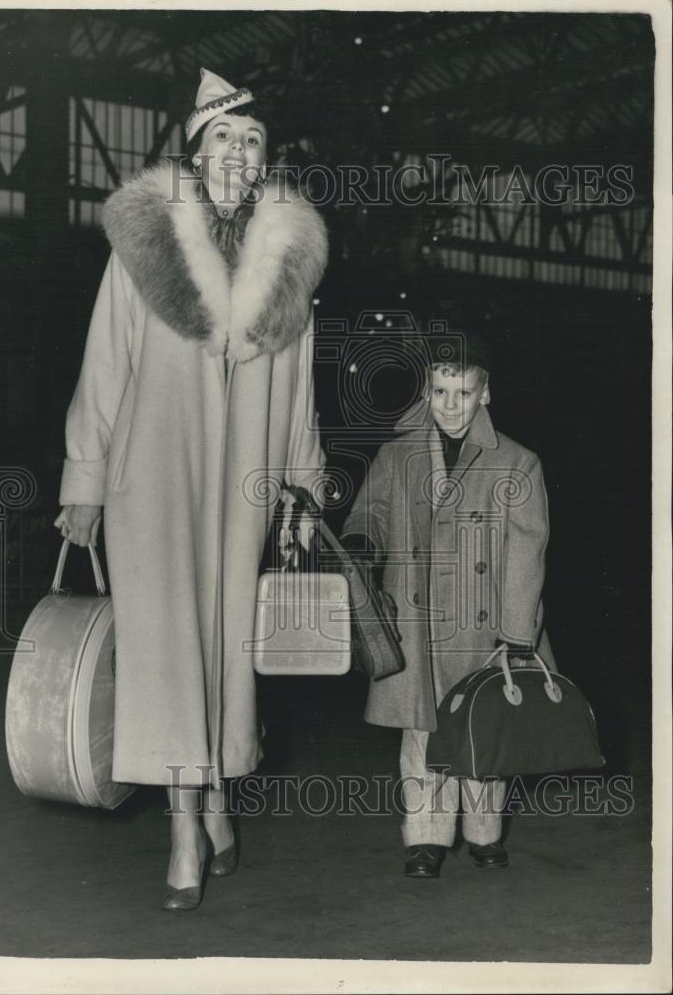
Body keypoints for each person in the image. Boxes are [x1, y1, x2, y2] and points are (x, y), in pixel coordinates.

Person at [54, 68, 327, 910]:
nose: (239, 154)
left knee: (227, 650)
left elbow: (301, 390)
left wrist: (300, 493)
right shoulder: (146, 250)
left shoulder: (288, 270)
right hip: (154, 480)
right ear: (195, 152)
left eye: (253, 142)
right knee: (169, 653)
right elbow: (105, 367)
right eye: (225, 140)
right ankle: (183, 831)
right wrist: (85, 480)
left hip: (243, 490)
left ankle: (215, 798)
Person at [340, 332, 555, 878]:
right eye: (440, 392)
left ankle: (484, 832)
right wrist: (363, 542)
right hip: (415, 619)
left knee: (485, 729)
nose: (450, 404)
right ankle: (426, 839)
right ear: (427, 392)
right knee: (422, 732)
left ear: (485, 393)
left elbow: (527, 550)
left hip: (485, 626)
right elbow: (372, 513)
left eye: (463, 392)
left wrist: (516, 631)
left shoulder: (517, 462)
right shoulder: (398, 453)